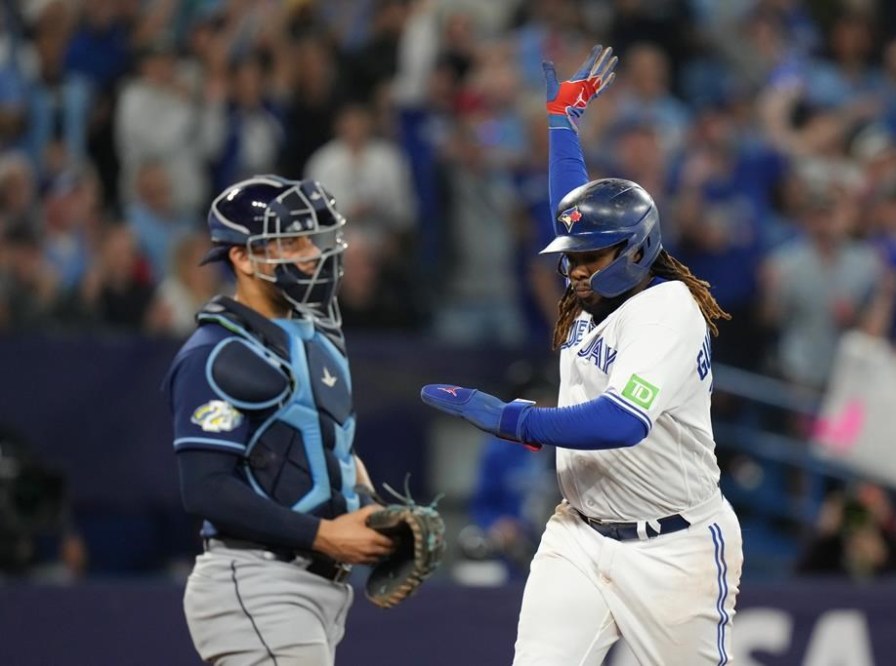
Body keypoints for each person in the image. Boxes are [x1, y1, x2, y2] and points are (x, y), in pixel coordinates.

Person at [421, 46, 743, 665]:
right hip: (579, 534)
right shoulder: (597, 284)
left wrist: (512, 419)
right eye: (571, 256)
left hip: (673, 547)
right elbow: (574, 209)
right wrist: (561, 124)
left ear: (633, 253)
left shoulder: (669, 309)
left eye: (589, 258)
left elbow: (621, 422)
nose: (573, 269)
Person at [163, 175, 396, 664]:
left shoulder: (314, 336)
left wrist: (374, 510)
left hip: (313, 587)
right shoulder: (215, 353)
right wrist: (328, 535)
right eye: (289, 241)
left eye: (313, 237)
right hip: (256, 579)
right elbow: (205, 488)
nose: (311, 252)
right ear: (242, 257)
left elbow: (335, 447)